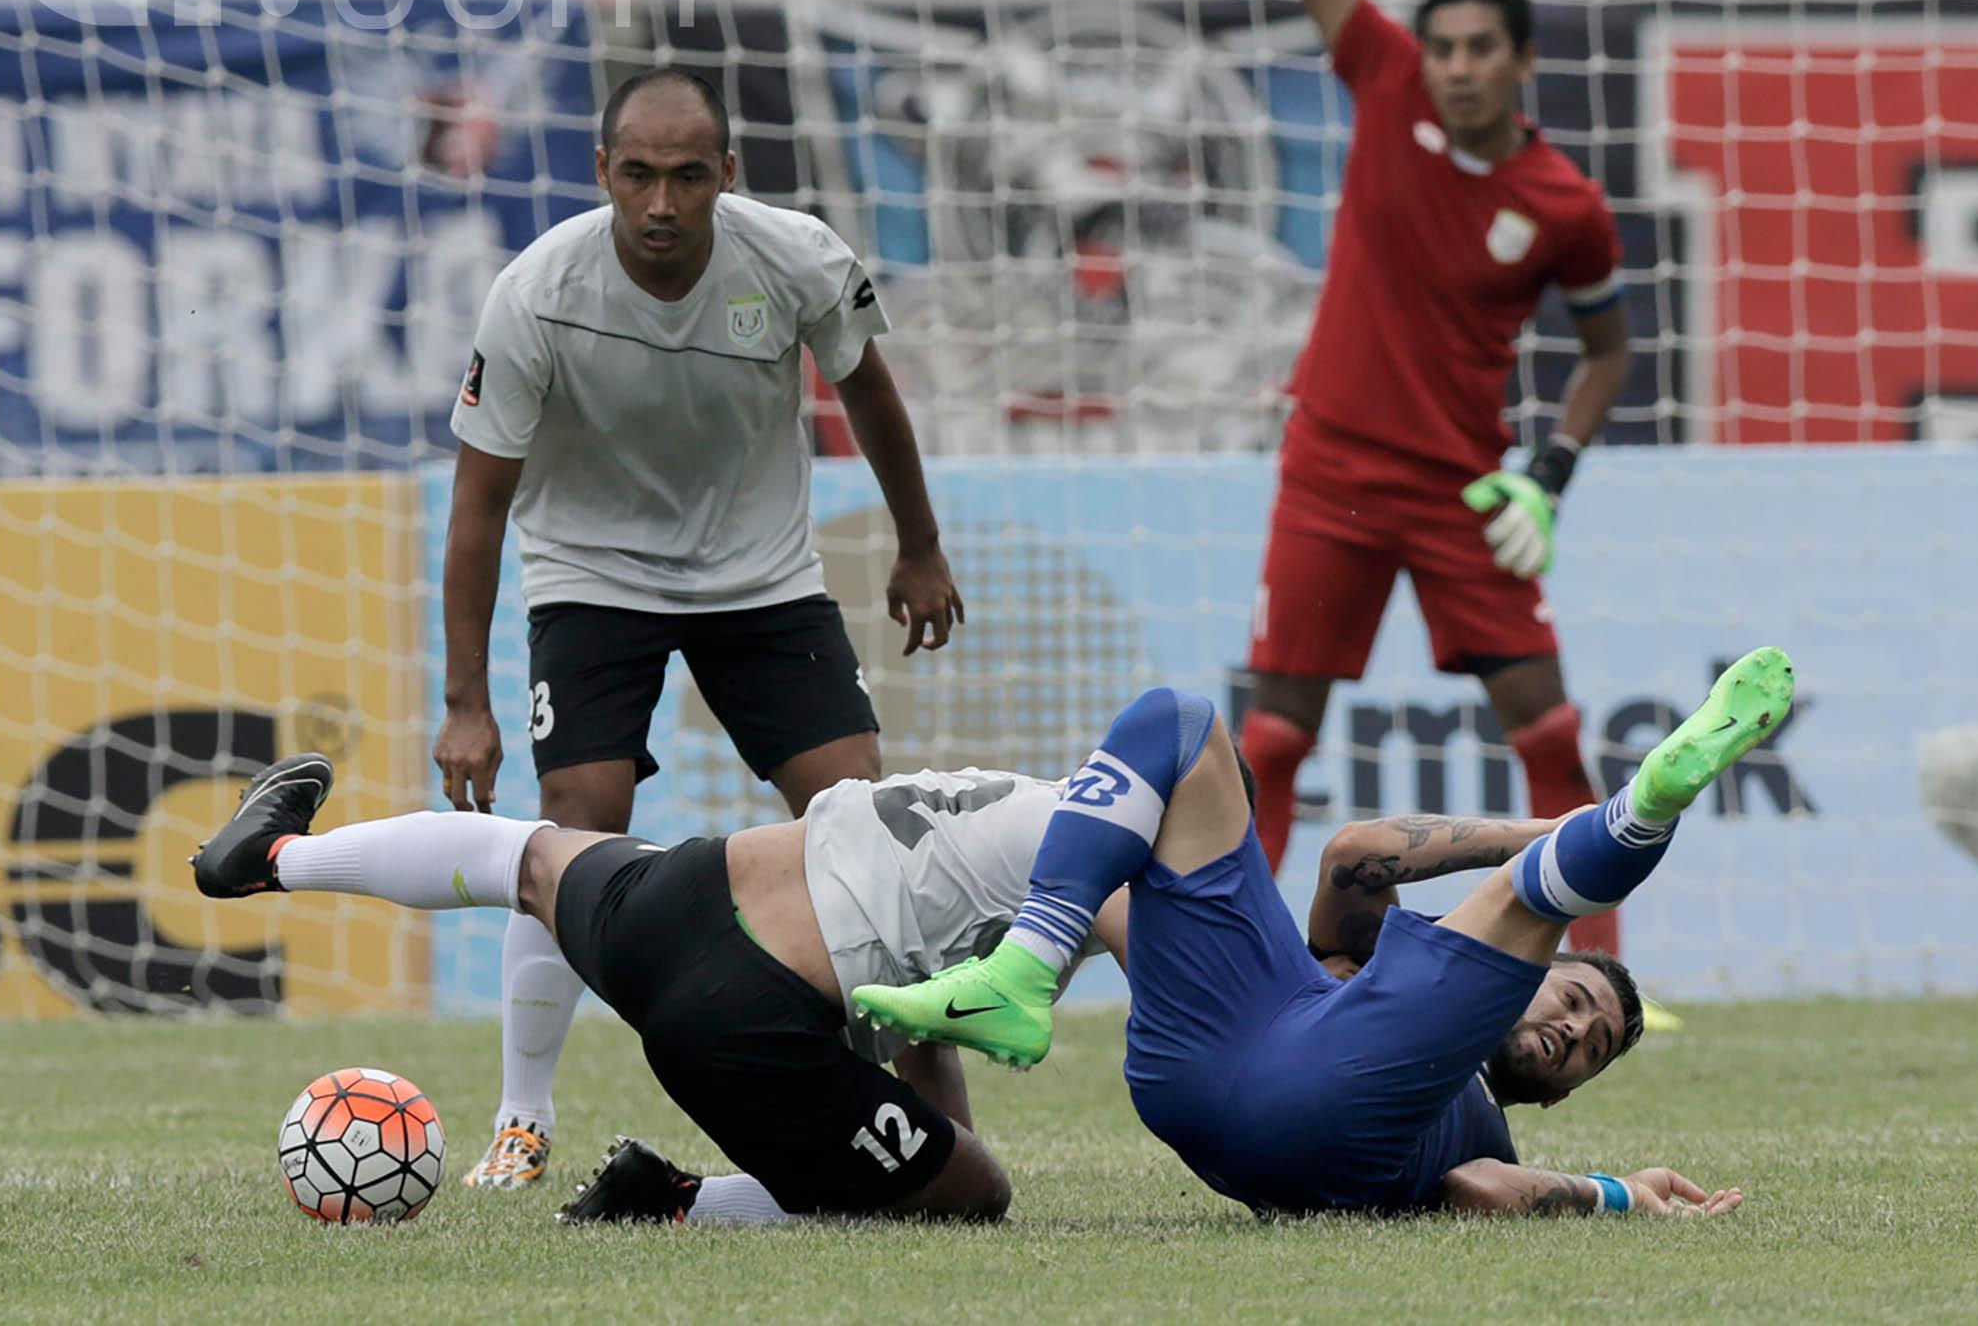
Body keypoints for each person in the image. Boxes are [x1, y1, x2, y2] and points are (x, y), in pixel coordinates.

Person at [431, 65, 964, 1188]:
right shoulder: (536, 293)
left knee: (858, 816)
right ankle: (522, 1118)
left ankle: (897, 1091)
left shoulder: (797, 257)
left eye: (686, 176)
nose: (661, 203)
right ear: (601, 172)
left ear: (728, 172)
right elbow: (477, 506)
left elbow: (871, 391)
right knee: (579, 821)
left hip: (760, 578)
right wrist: (465, 702)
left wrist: (918, 544)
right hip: (592, 575)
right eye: (638, 175)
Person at [1207, 0, 1639, 960]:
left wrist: (1548, 478)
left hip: (1463, 486)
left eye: (1477, 49)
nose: (1451, 67)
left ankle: (1601, 977)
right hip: (1332, 466)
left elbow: (1609, 349)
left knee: (1549, 728)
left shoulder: (1564, 202)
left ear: (1522, 61)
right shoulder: (1384, 82)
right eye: (1440, 46)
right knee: (1272, 732)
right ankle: (1248, 974)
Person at [854, 650, 1791, 1218]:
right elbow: (1354, 857)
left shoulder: (1484, 1129)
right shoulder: (1359, 961)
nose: (1572, 1033)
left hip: (1309, 1111)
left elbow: (1480, 1191)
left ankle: (1642, 811)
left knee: (1525, 904)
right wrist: (1545, 831)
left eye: (1591, 1052)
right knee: (1179, 727)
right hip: (1217, 1041)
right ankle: (1020, 969)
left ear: (1560, 1096)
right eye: (1576, 1001)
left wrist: (1617, 1192)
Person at [189, 754, 1120, 1223]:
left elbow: (927, 999)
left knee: (528, 861)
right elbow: (1177, 1023)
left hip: (684, 890)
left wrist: (933, 1126)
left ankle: (276, 857)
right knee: (976, 1194)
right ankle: (676, 1201)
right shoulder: (1116, 864)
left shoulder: (1023, 796)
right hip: (745, 1028)